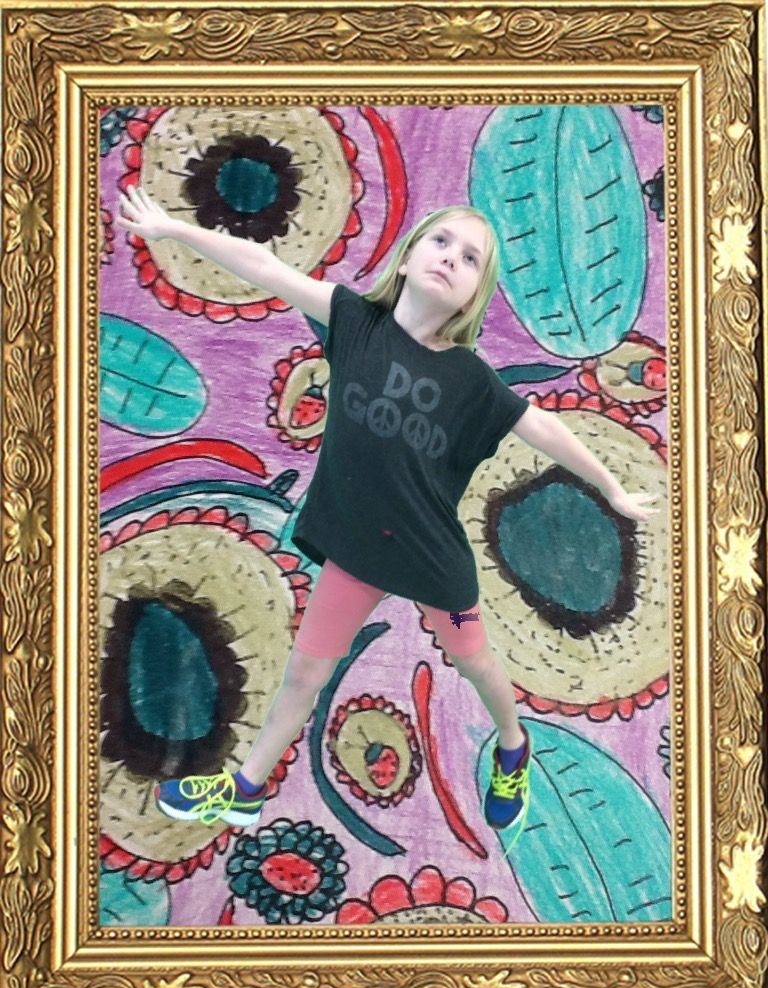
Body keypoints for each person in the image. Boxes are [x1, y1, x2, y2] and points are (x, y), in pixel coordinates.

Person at [115, 186, 658, 849]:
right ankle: (246, 790)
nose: (451, 258)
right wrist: (175, 230)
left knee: (477, 663)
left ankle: (514, 746)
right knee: (304, 675)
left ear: (472, 296)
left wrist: (611, 486)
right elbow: (264, 267)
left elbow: (542, 426)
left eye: (470, 258)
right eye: (442, 241)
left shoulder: (470, 379)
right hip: (358, 551)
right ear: (407, 257)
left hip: (431, 559)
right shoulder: (355, 322)